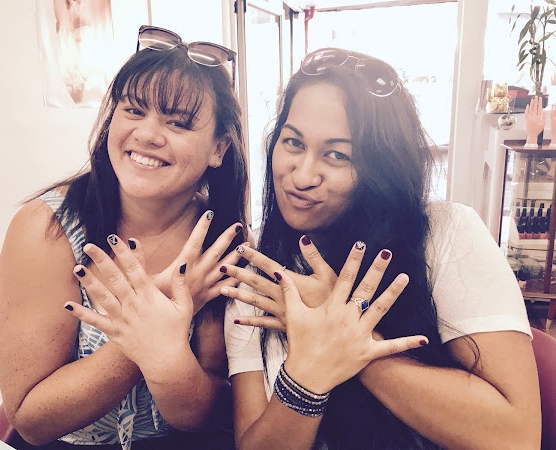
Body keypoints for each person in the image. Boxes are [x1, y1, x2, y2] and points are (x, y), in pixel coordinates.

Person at [222, 48, 541, 449]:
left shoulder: (444, 236)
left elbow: (516, 436)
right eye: (293, 142)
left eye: (337, 155)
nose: (302, 176)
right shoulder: (259, 279)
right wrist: (308, 373)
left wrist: (349, 344)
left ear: (382, 166)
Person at [0, 26, 247, 450]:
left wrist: (163, 346)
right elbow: (33, 420)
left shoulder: (219, 241)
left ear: (218, 149)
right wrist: (156, 320)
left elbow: (199, 416)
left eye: (178, 122)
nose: (147, 134)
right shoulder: (47, 230)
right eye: (133, 110)